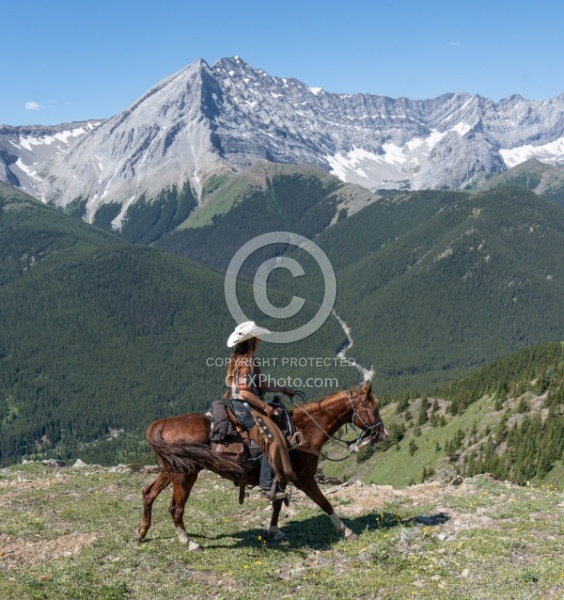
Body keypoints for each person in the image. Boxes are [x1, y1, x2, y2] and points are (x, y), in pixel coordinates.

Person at [226, 321, 296, 501]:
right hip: (244, 408)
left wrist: (282, 389)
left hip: (241, 405)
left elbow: (260, 386)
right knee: (270, 439)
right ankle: (266, 484)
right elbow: (244, 392)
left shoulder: (239, 358)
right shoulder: (247, 363)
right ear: (251, 341)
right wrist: (265, 407)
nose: (259, 341)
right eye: (257, 338)